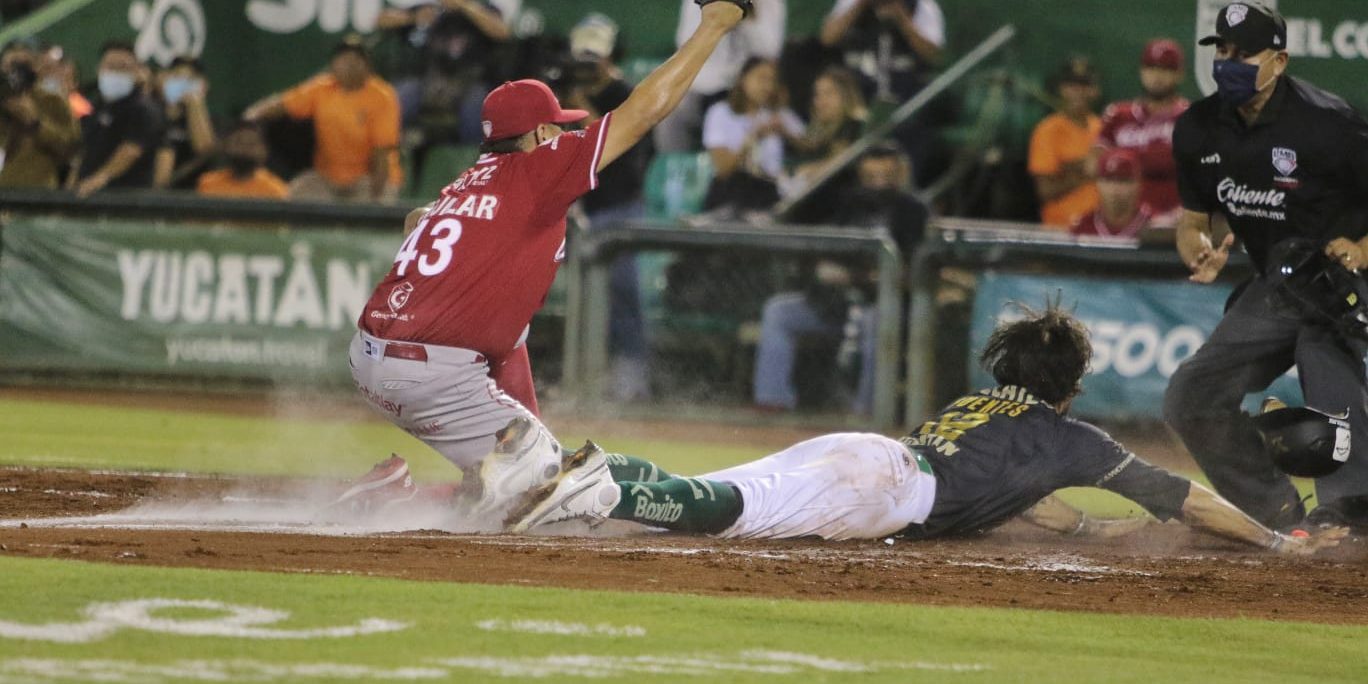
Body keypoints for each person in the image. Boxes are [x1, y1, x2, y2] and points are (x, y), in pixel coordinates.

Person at [331, 0, 752, 514]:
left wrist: (527, 427)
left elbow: (416, 221)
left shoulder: (467, 180)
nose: (563, 133)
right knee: (555, 495)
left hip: (373, 358)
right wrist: (711, 29)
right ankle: (398, 501)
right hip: (430, 374)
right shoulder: (538, 168)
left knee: (517, 472)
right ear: (535, 137)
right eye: (556, 126)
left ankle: (405, 494)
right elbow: (642, 112)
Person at [502, 305, 1346, 559]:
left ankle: (592, 472)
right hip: (882, 485)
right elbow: (1187, 500)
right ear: (1071, 387)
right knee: (726, 510)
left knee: (726, 490)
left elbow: (1022, 505)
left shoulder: (977, 406)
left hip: (864, 453)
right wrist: (1277, 542)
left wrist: (1087, 528)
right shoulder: (1072, 439)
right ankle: (601, 486)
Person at [1165, 2, 1368, 532]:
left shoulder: (1330, 125)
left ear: (1278, 61)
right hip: (1278, 287)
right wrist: (1197, 247)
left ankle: (1350, 514)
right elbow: (1191, 221)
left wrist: (1363, 249)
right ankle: (1277, 514)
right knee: (1191, 396)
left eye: (1243, 54)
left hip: (1350, 283)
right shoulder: (1197, 129)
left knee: (1322, 356)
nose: (1228, 63)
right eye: (1222, 51)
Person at [753, 143, 925, 414]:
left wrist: (860, 276)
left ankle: (867, 413)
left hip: (882, 304)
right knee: (778, 311)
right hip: (835, 303)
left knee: (874, 321)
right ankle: (772, 403)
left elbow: (912, 270)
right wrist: (824, 269)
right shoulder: (848, 201)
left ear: (899, 174)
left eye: (885, 176)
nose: (877, 184)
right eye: (871, 177)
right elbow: (817, 244)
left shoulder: (912, 210)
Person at [562, 13, 655, 401]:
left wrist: (586, 111)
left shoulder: (625, 94)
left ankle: (631, 383)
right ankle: (574, 381)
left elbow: (625, 155)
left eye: (594, 58)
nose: (588, 67)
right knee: (567, 301)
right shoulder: (561, 93)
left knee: (622, 296)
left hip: (619, 208)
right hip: (572, 212)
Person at [244, 37, 402, 204]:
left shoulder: (382, 96)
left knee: (367, 216)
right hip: (327, 177)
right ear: (333, 64)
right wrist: (248, 119)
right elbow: (281, 104)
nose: (349, 64)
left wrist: (376, 200)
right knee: (295, 197)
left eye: (356, 59)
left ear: (367, 65)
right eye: (343, 58)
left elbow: (382, 153)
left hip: (368, 179)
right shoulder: (322, 88)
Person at [655, 0, 786, 153]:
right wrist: (716, 23)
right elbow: (684, 41)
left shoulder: (771, 3)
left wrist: (748, 16)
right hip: (704, 83)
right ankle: (676, 170)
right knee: (671, 111)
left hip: (746, 86)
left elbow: (769, 52)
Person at [1095, 39, 1190, 228]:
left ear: (1180, 74)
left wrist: (1130, 158)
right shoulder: (1118, 114)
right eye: (1151, 68)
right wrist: (1163, 157)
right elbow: (1094, 165)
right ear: (1141, 71)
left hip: (1176, 222)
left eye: (1166, 69)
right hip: (1123, 221)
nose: (1157, 76)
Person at [701, 57, 803, 213]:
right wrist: (752, 139)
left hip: (770, 190)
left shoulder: (779, 114)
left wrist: (786, 133)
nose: (767, 86)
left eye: (772, 80)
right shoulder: (720, 113)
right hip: (732, 189)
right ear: (743, 79)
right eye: (761, 78)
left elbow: (809, 144)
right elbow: (724, 168)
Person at [72, 41, 163, 197]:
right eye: (111, 66)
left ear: (136, 73)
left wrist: (100, 178)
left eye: (123, 68)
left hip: (125, 198)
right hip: (87, 196)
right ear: (99, 69)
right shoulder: (96, 106)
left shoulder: (143, 108)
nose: (116, 72)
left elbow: (131, 150)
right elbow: (85, 151)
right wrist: (72, 184)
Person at [819, 0, 943, 104]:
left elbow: (932, 53)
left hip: (906, 89)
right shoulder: (852, 2)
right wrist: (859, 6)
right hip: (856, 89)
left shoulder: (922, 5)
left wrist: (902, 18)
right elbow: (828, 38)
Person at [1028, 56, 1101, 230]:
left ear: (1095, 90)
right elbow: (1045, 191)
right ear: (1062, 89)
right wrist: (1087, 169)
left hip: (1099, 229)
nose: (1079, 92)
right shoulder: (1047, 130)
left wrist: (1071, 168)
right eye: (1072, 86)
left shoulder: (1103, 127)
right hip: (1060, 227)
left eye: (1085, 86)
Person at [0, 41, 79, 189]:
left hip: (36, 191)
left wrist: (35, 122)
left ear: (36, 66)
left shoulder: (52, 100)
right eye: (12, 64)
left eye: (24, 63)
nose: (17, 70)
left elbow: (69, 149)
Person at [152, 56, 216, 190]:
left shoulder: (211, 123)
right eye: (176, 76)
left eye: (191, 79)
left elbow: (204, 149)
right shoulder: (149, 113)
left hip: (189, 196)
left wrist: (195, 104)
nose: (183, 84)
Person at [1069, 148, 1153, 239]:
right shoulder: (1082, 227)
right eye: (1108, 180)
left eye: (1123, 180)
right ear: (1097, 184)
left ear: (1138, 185)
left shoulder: (1153, 225)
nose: (1115, 188)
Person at [195, 121, 289, 200]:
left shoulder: (275, 191)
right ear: (226, 146)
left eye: (251, 144)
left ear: (264, 150)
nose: (244, 149)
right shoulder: (207, 184)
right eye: (238, 142)